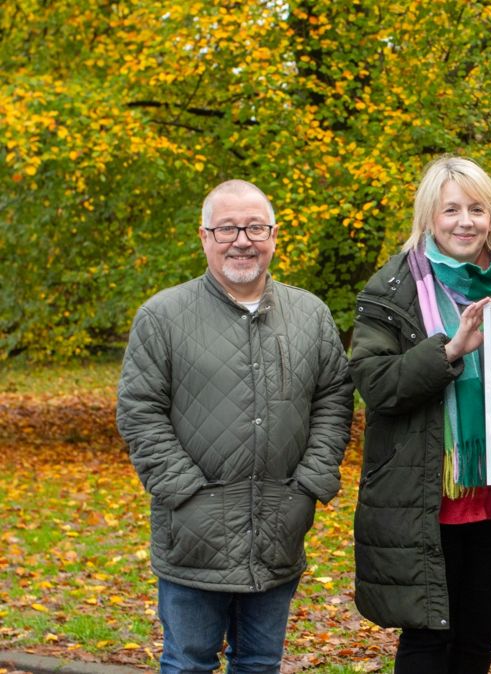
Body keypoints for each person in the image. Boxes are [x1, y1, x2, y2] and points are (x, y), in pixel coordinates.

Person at [116, 180, 354, 674]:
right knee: (188, 663)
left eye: (254, 227)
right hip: (193, 534)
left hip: (279, 528)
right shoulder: (162, 316)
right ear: (204, 236)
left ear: (274, 235)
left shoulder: (310, 314)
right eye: (227, 228)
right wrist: (185, 493)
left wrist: (310, 483)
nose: (241, 240)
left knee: (261, 663)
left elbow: (334, 396)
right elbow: (140, 410)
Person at [350, 156, 491, 673]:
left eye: (477, 208)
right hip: (419, 499)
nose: (465, 221)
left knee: (477, 637)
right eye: (451, 210)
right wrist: (450, 350)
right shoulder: (392, 289)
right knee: (427, 642)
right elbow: (377, 386)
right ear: (429, 217)